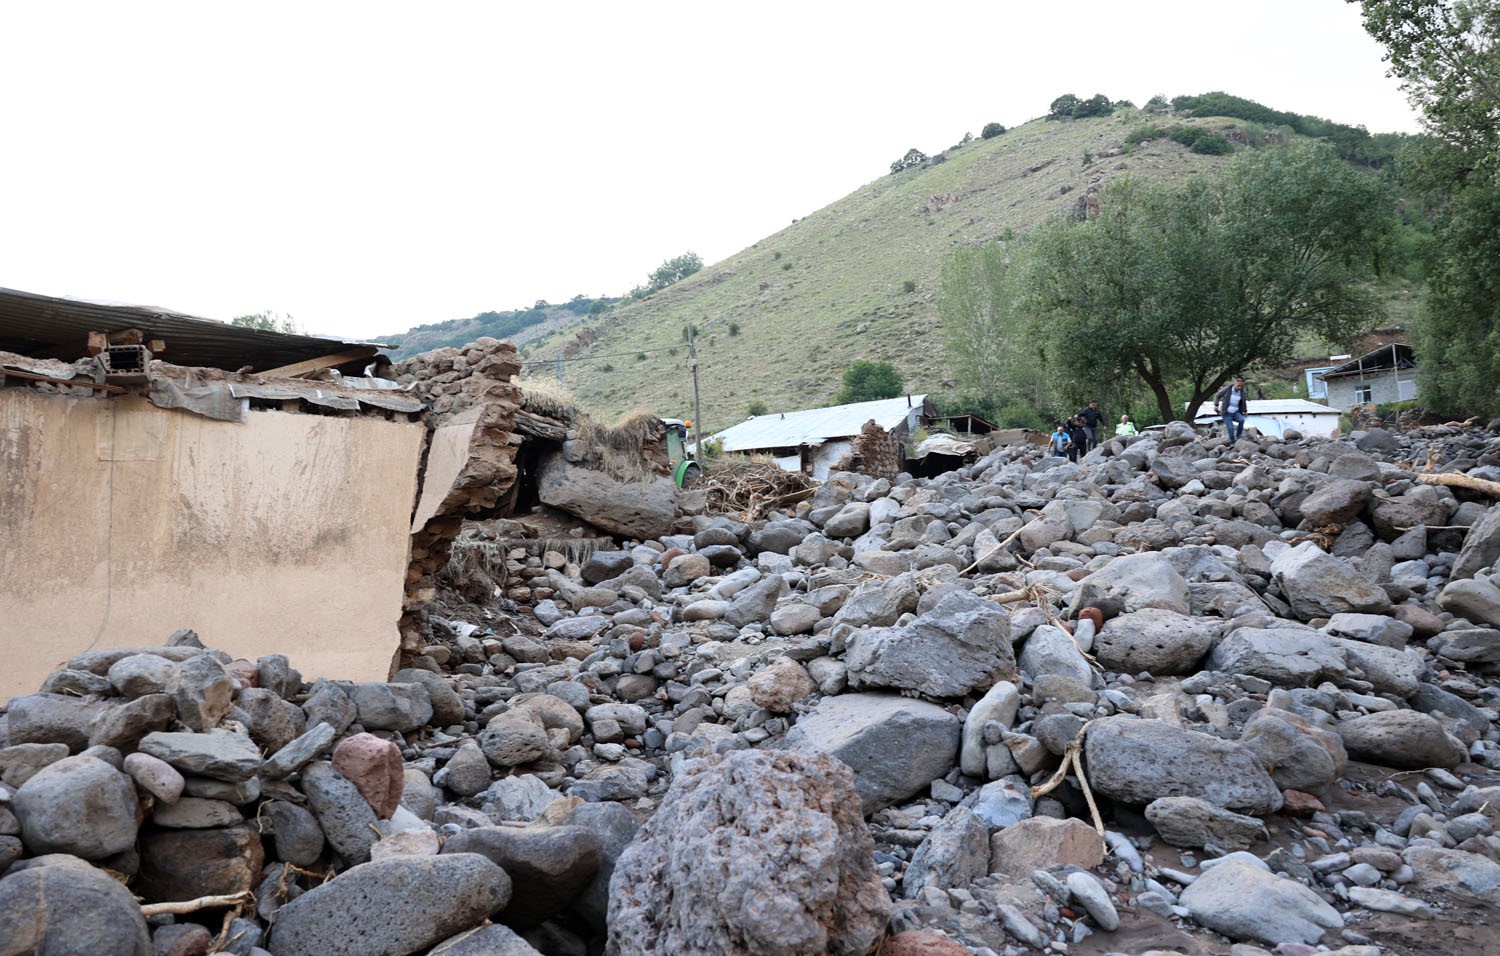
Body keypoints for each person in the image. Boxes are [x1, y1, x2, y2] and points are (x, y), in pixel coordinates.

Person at [1215, 377, 1248, 442]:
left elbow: (1243, 402)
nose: (1239, 388)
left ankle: (1238, 436)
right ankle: (1233, 442)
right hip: (1226, 413)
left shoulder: (1241, 392)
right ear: (1235, 384)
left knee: (1242, 420)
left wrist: (1245, 411)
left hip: (1235, 412)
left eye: (1241, 386)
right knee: (1231, 428)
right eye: (1238, 386)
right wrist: (1216, 404)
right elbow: (1217, 395)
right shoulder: (1228, 389)